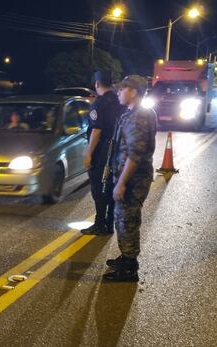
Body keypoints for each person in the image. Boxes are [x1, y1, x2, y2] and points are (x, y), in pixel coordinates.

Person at [103, 75, 157, 282]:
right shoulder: (134, 113)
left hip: (133, 180)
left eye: (122, 89)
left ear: (133, 92)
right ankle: (126, 257)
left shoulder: (138, 117)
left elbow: (135, 154)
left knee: (127, 221)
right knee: (124, 220)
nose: (118, 92)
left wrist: (122, 183)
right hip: (130, 176)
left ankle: (129, 268)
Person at [81, 71, 124, 235]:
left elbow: (96, 130)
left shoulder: (98, 103)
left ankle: (100, 224)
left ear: (97, 84)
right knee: (111, 185)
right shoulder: (118, 100)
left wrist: (89, 153)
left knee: (98, 187)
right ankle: (109, 223)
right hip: (117, 149)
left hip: (102, 151)